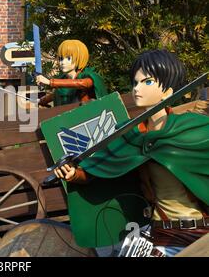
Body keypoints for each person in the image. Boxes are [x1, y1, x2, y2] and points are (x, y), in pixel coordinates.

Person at [53, 49, 208, 256]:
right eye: (135, 83)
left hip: (201, 233)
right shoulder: (129, 134)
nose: (137, 88)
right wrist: (74, 174)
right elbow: (98, 169)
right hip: (160, 234)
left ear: (168, 91)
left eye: (147, 82)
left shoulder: (194, 129)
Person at [35, 39, 107, 106]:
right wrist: (40, 101)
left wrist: (50, 82)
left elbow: (82, 83)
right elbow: (54, 95)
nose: (63, 62)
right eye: (61, 58)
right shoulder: (62, 80)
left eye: (68, 58)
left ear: (79, 58)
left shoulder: (86, 76)